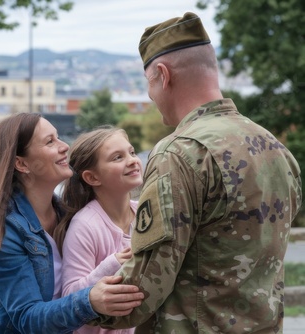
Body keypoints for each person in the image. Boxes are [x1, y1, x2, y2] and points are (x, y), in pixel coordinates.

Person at [96, 12, 303, 333]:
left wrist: (82, 304)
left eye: (149, 84)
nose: (151, 97)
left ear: (163, 76)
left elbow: (145, 285)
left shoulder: (179, 153)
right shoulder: (275, 148)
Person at [0, 113, 145, 334]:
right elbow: (28, 318)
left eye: (58, 138)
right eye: (50, 142)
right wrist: (90, 300)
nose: (64, 146)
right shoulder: (4, 229)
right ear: (21, 163)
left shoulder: (66, 215)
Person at [54, 126, 144, 334]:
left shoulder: (146, 213)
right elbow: (70, 295)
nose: (132, 160)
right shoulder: (85, 225)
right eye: (117, 157)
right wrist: (113, 264)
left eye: (131, 152)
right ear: (93, 178)